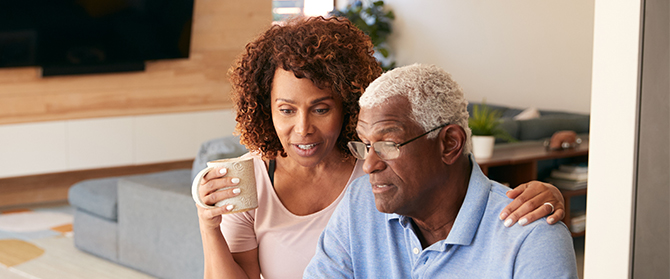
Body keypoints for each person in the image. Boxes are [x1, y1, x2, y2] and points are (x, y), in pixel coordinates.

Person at [195, 17, 568, 279]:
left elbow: (460, 188)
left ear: (348, 106)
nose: (302, 128)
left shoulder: (529, 237)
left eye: (321, 108)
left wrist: (545, 193)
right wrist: (209, 227)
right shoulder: (360, 202)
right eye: (286, 110)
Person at [304, 64, 578, 278]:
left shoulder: (531, 238)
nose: (369, 165)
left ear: (450, 143)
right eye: (365, 145)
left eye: (388, 144)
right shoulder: (359, 204)